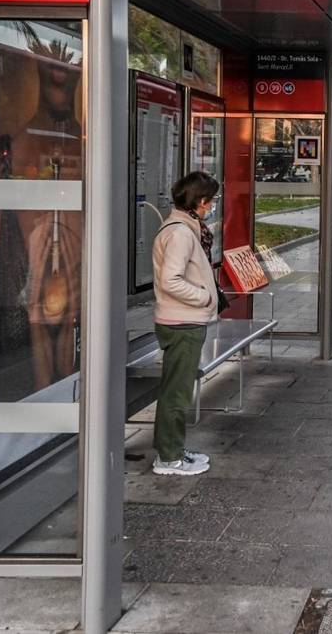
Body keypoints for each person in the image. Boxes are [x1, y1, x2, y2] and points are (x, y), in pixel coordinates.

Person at [151, 171, 220, 476]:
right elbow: (170, 280)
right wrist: (204, 297)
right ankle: (168, 458)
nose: (213, 205)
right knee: (176, 393)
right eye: (211, 200)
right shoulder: (180, 233)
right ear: (200, 201)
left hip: (183, 319)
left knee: (176, 390)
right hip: (182, 321)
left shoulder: (184, 227)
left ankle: (174, 449)